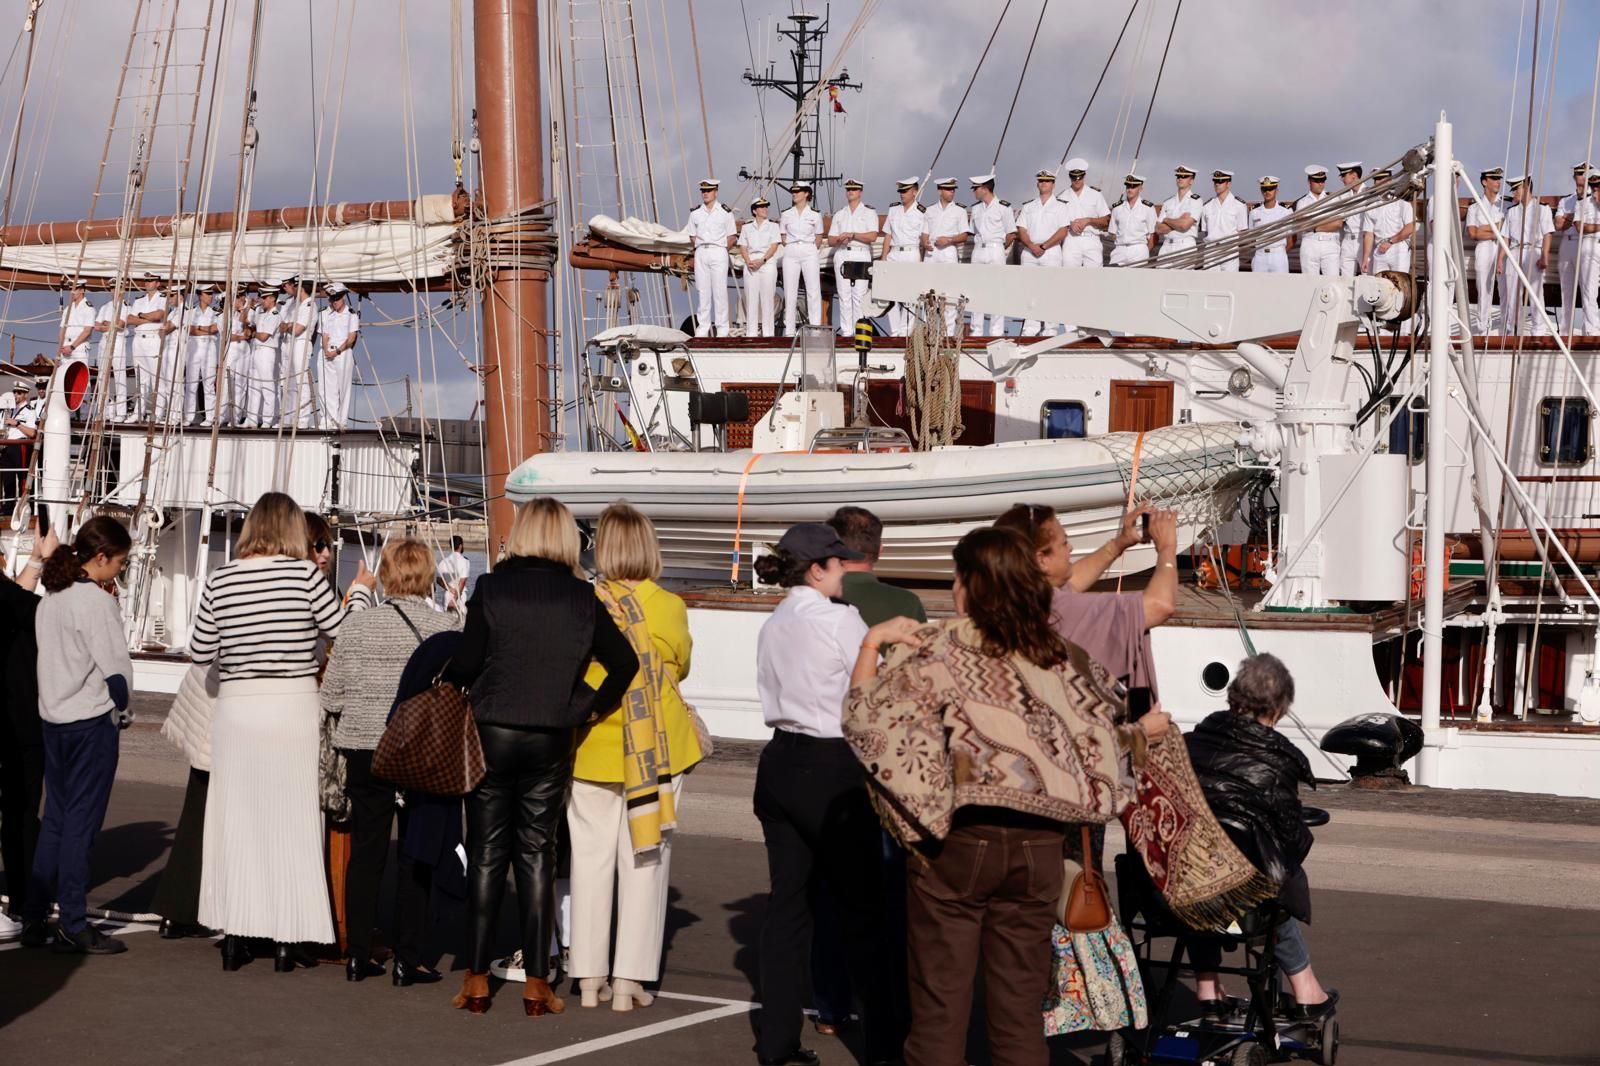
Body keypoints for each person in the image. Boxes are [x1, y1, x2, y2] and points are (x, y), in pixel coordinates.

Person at [842, 526, 1170, 1066]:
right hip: (1039, 849)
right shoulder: (1060, 657)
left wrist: (872, 642)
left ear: (971, 586)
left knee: (940, 1013)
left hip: (958, 843)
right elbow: (1106, 738)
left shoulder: (937, 648)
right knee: (1018, 1019)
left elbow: (867, 721)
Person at [444, 496, 639, 1017]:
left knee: (486, 855)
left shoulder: (492, 587)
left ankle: (477, 981)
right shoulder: (581, 596)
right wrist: (585, 708)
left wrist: (450, 680)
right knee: (537, 855)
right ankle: (536, 985)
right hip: (553, 734)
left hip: (493, 730)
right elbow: (623, 662)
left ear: (524, 533)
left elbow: (467, 661)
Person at [192, 492, 370, 972]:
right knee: (293, 822)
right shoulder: (305, 577)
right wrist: (361, 594)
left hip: (238, 707)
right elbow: (341, 631)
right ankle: (289, 940)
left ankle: (236, 936)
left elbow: (199, 649)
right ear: (292, 529)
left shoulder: (220, 579)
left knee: (239, 822)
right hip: (293, 705)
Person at [751, 522, 907, 1066]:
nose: (847, 570)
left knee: (788, 908)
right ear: (817, 569)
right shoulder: (841, 620)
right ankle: (886, 1047)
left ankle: (777, 1043)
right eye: (839, 563)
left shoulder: (774, 622)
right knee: (863, 910)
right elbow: (877, 688)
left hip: (780, 761)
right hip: (830, 763)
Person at [568, 502, 704, 1012]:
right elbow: (682, 667)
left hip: (593, 746)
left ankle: (586, 979)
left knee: (589, 863)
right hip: (656, 751)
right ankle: (628, 982)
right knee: (646, 861)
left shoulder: (586, 601)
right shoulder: (669, 605)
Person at [323, 538, 462, 984]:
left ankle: (358, 953)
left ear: (385, 574)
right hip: (420, 752)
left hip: (366, 748)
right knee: (416, 854)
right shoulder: (445, 630)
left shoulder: (357, 626)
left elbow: (332, 695)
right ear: (427, 576)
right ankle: (410, 956)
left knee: (367, 851)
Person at [1185, 653, 1337, 1023]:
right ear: (1279, 710)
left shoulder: (1189, 744)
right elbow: (1290, 841)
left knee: (1202, 866)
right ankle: (1306, 989)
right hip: (1243, 897)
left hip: (1181, 889)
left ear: (1232, 697)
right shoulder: (1278, 760)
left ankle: (1208, 987)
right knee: (1273, 883)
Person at [19, 517, 133, 955]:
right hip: (90, 723)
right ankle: (72, 921)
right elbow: (115, 670)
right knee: (81, 828)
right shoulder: (95, 602)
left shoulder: (52, 598)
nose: (119, 571)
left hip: (54, 720)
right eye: (119, 562)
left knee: (57, 822)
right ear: (100, 557)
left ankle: (33, 916)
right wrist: (122, 711)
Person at [993, 502, 1177, 694]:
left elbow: (1073, 580)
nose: (1070, 548)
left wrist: (1119, 544)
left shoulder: (1016, 599)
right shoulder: (1059, 609)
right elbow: (1160, 606)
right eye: (1064, 543)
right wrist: (1167, 547)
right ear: (1041, 560)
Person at [0, 529, 55, 941]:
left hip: (17, 713)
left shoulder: (5, 593)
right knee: (21, 813)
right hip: (17, 717)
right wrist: (54, 567)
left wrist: (36, 562)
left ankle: (23, 902)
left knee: (19, 814)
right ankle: (26, 905)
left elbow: (17, 601)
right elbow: (38, 613)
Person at [1502, 174, 1555, 337]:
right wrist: (1499, 260)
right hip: (1514, 251)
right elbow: (1506, 237)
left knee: (1535, 292)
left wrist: (1544, 256)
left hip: (1533, 251)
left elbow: (1547, 234)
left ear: (1525, 188)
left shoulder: (1542, 208)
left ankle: (1538, 330)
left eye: (1516, 189)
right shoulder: (1511, 212)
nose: (1514, 193)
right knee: (1512, 293)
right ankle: (1513, 330)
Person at [1017, 169, 1068, 335]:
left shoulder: (1061, 206)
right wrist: (1032, 246)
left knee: (1050, 291)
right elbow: (1021, 229)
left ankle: (1050, 329)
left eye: (1047, 181)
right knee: (1029, 291)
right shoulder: (1028, 206)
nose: (1043, 183)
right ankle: (1030, 328)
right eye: (1041, 181)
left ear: (1053, 184)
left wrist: (1044, 246)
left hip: (1051, 251)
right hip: (1030, 251)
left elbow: (1063, 231)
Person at [687, 179, 738, 338]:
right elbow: (692, 235)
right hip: (701, 250)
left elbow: (732, 236)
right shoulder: (695, 213)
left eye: (708, 190)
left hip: (718, 251)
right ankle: (703, 327)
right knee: (702, 290)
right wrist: (700, 248)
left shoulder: (725, 212)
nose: (705, 193)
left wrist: (721, 250)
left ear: (716, 191)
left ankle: (722, 328)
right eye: (703, 191)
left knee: (719, 290)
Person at [967, 173, 1015, 335]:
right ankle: (976, 330)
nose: (974, 191)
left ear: (985, 189)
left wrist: (1002, 250)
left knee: (997, 291)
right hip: (978, 249)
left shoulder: (1004, 207)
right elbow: (972, 232)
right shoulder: (975, 208)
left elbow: (1011, 234)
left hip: (996, 249)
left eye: (976, 188)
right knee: (975, 291)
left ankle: (996, 331)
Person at [829, 179, 879, 337]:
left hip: (860, 253)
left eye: (854, 189)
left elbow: (872, 236)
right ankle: (846, 331)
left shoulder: (869, 212)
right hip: (843, 252)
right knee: (844, 295)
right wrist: (839, 239)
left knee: (859, 295)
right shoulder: (839, 214)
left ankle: (859, 331)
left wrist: (853, 235)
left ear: (860, 192)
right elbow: (830, 239)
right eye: (849, 189)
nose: (850, 191)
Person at [881, 177, 928, 337]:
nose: (902, 194)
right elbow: (888, 235)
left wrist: (921, 259)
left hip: (911, 252)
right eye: (900, 191)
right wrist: (883, 259)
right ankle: (894, 331)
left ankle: (905, 331)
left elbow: (923, 239)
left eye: (905, 191)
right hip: (894, 253)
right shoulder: (893, 210)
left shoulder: (922, 212)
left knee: (910, 294)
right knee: (888, 293)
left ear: (914, 192)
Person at [924, 178, 970, 332]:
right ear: (940, 191)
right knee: (929, 294)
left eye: (953, 189)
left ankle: (948, 333)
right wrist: (924, 242)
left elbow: (964, 236)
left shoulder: (960, 211)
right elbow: (924, 233)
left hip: (949, 250)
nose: (952, 192)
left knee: (949, 295)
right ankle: (930, 331)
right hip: (931, 253)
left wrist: (949, 240)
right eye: (948, 189)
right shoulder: (929, 210)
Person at [780, 182, 824, 337]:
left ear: (806, 194)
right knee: (790, 291)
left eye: (798, 191)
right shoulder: (786, 214)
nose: (794, 193)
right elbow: (783, 236)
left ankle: (815, 328)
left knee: (813, 290)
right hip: (791, 250)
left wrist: (810, 250)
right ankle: (789, 330)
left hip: (808, 249)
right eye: (793, 191)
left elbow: (819, 236)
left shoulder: (815, 214)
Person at [1466, 167, 1506, 335]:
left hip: (1503, 247)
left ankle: (1506, 327)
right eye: (1494, 178)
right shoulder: (1474, 208)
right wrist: (1497, 228)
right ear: (1484, 182)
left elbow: (1507, 229)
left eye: (1499, 179)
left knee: (1505, 287)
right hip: (1483, 248)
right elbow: (1473, 233)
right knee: (1483, 287)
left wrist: (1486, 229)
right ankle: (1482, 328)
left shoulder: (1506, 204)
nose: (1498, 182)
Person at [317, 283, 360, 429]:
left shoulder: (351, 314)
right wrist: (326, 350)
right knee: (326, 388)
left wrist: (337, 352)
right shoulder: (328, 314)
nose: (333, 302)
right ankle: (329, 419)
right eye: (331, 299)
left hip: (342, 353)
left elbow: (351, 338)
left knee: (343, 388)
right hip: (327, 352)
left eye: (336, 298)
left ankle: (341, 421)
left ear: (343, 298)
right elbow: (325, 335)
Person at [1555, 162, 1591, 335]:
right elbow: (1558, 224)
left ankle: (1588, 329)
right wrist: (1576, 217)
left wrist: (1570, 218)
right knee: (1566, 289)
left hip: (1585, 242)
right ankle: (1565, 330)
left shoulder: (1594, 199)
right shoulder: (1566, 200)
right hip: (1567, 243)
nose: (1580, 177)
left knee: (1587, 288)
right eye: (1578, 173)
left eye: (1583, 173)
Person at [740, 198, 782, 338]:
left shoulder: (773, 226)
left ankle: (768, 333)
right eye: (761, 207)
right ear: (754, 210)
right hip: (751, 262)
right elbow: (743, 246)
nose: (765, 209)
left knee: (767, 299)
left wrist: (762, 260)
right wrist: (748, 261)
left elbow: (774, 246)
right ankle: (751, 333)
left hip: (767, 262)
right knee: (751, 299)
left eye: (766, 206)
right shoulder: (746, 227)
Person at [1362, 168, 1417, 276]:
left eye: (1383, 179)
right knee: (1378, 287)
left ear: (1390, 181)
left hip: (1398, 248)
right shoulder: (1371, 205)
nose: (1380, 182)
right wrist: (1365, 258)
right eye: (1377, 180)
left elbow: (1410, 227)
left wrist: (1390, 241)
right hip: (1379, 249)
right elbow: (1369, 234)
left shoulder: (1402, 201)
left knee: (1399, 285)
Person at [127, 273, 167, 420]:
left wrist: (140, 316)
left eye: (151, 280)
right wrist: (146, 317)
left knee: (158, 378)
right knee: (141, 379)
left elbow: (158, 316)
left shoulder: (163, 298)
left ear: (157, 283)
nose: (147, 283)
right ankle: (139, 412)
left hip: (153, 340)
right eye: (146, 280)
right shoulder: (139, 300)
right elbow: (129, 319)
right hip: (138, 340)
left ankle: (158, 412)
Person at [1058, 157, 1110, 270]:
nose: (1077, 180)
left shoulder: (1095, 195)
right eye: (1073, 177)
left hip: (1092, 239)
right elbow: (1056, 221)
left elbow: (1106, 221)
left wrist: (1089, 220)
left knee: (1094, 278)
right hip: (1070, 239)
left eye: (1080, 176)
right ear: (1069, 176)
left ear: (1084, 176)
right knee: (1069, 276)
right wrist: (1070, 224)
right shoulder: (1062, 196)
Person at [280, 278, 318, 428]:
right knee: (290, 383)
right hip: (292, 344)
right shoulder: (298, 305)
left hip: (302, 343)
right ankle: (289, 418)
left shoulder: (309, 305)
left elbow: (297, 330)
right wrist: (289, 325)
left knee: (301, 382)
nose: (293, 289)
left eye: (295, 287)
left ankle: (303, 419)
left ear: (301, 289)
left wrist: (288, 326)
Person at [93, 284, 133, 423]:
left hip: (118, 341)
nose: (114, 291)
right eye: (112, 288)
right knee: (102, 376)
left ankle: (121, 412)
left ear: (123, 290)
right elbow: (97, 326)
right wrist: (110, 324)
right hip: (104, 341)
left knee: (119, 375)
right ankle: (102, 411)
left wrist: (108, 324)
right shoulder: (105, 307)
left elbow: (120, 325)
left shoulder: (126, 306)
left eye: (118, 288)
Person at [245, 287, 283, 427]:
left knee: (267, 387)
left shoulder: (275, 315)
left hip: (267, 351)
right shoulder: (261, 313)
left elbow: (263, 336)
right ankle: (252, 419)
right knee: (254, 386)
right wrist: (249, 306)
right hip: (256, 350)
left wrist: (253, 333)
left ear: (272, 298)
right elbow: (246, 322)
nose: (262, 300)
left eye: (265, 298)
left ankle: (267, 420)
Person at [1, 381, 40, 514]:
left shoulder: (30, 411)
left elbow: (32, 433)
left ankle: (24, 507)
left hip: (20, 446)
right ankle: (8, 508)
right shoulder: (9, 410)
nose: (16, 395)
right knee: (8, 478)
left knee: (23, 477)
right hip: (7, 446)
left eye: (19, 393)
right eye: (15, 392)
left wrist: (16, 423)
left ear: (25, 395)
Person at [1294, 166, 1341, 277]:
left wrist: (1314, 226)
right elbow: (1302, 225)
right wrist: (1327, 222)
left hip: (1330, 244)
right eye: (1317, 181)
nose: (1321, 184)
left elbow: (1338, 224)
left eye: (1323, 180)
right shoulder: (1302, 202)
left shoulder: (1333, 199)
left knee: (1332, 282)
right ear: (1309, 181)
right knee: (1309, 283)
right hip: (1310, 244)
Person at [184, 283, 220, 426]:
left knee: (209, 384)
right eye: (207, 294)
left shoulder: (216, 312)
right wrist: (204, 329)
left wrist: (198, 328)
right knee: (190, 383)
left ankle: (210, 416)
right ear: (200, 295)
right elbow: (189, 330)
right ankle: (189, 416)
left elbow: (214, 329)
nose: (210, 296)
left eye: (211, 294)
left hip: (209, 349)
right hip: (194, 348)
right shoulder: (190, 312)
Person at [1201, 170, 1249, 271]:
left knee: (1229, 285)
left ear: (1229, 184)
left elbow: (1242, 231)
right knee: (1209, 284)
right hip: (1211, 250)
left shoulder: (1239, 205)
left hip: (1229, 250)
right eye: (1215, 181)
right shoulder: (1207, 206)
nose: (1217, 184)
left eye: (1221, 181)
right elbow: (1206, 232)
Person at [221, 287, 254, 425]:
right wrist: (241, 336)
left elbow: (249, 332)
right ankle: (222, 416)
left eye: (241, 296)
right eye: (237, 297)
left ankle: (235, 417)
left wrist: (243, 312)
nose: (240, 299)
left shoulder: (246, 313)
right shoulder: (224, 315)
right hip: (231, 349)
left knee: (241, 384)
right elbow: (227, 336)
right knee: (227, 383)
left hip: (244, 350)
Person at [1155, 164, 1202, 262]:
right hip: (1166, 246)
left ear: (1191, 180)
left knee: (1183, 277)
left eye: (1184, 176)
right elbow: (1159, 229)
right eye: (1178, 176)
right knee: (1161, 277)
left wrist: (1166, 220)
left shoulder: (1196, 200)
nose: (1180, 178)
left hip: (1185, 246)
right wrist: (1179, 221)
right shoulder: (1168, 202)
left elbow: (1184, 226)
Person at [155, 284, 188, 423]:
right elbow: (162, 330)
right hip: (168, 349)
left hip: (177, 350)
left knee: (175, 383)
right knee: (168, 383)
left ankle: (176, 415)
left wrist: (164, 328)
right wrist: (164, 328)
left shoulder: (183, 311)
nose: (169, 298)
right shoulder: (173, 311)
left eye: (172, 295)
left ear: (180, 296)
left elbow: (166, 329)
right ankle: (171, 414)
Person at [1108, 175, 1157, 266]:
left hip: (1138, 249)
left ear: (1140, 188)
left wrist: (1144, 250)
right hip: (1120, 249)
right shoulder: (1117, 208)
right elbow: (1113, 233)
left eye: (1133, 186)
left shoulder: (1148, 208)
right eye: (1128, 186)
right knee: (1112, 277)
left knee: (1137, 279)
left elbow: (1153, 235)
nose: (1130, 189)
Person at [1574, 172, 1600, 336]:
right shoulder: (1582, 203)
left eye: (1598, 186)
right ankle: (1592, 330)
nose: (1595, 189)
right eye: (1593, 186)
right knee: (1589, 290)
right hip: (1589, 245)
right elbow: (1580, 228)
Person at [1249, 177, 1292, 274]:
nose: (1267, 192)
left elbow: (1291, 239)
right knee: (1257, 286)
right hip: (1260, 256)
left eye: (1270, 189)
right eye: (1264, 189)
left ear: (1277, 191)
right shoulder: (1254, 212)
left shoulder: (1286, 211)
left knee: (1280, 286)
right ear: (1261, 190)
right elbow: (1251, 239)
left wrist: (1279, 251)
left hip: (1279, 256)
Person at [1334, 162, 1367, 277]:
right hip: (1347, 241)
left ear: (1354, 175)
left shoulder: (1369, 193)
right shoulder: (1343, 197)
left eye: (1344, 176)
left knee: (1366, 279)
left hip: (1363, 240)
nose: (1341, 179)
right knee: (1345, 280)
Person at [57, 279, 96, 362]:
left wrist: (72, 347)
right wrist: (61, 346)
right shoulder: (68, 309)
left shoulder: (88, 308)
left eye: (74, 289)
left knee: (79, 374)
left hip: (79, 347)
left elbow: (87, 331)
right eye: (70, 290)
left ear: (82, 290)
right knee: (65, 374)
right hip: (65, 346)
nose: (72, 292)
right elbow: (62, 330)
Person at [437, 534, 472, 615]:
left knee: (447, 621)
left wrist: (449, 589)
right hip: (460, 595)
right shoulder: (465, 561)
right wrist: (455, 599)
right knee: (461, 621)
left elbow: (438, 580)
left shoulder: (443, 561)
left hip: (447, 594)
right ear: (460, 546)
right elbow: (462, 581)